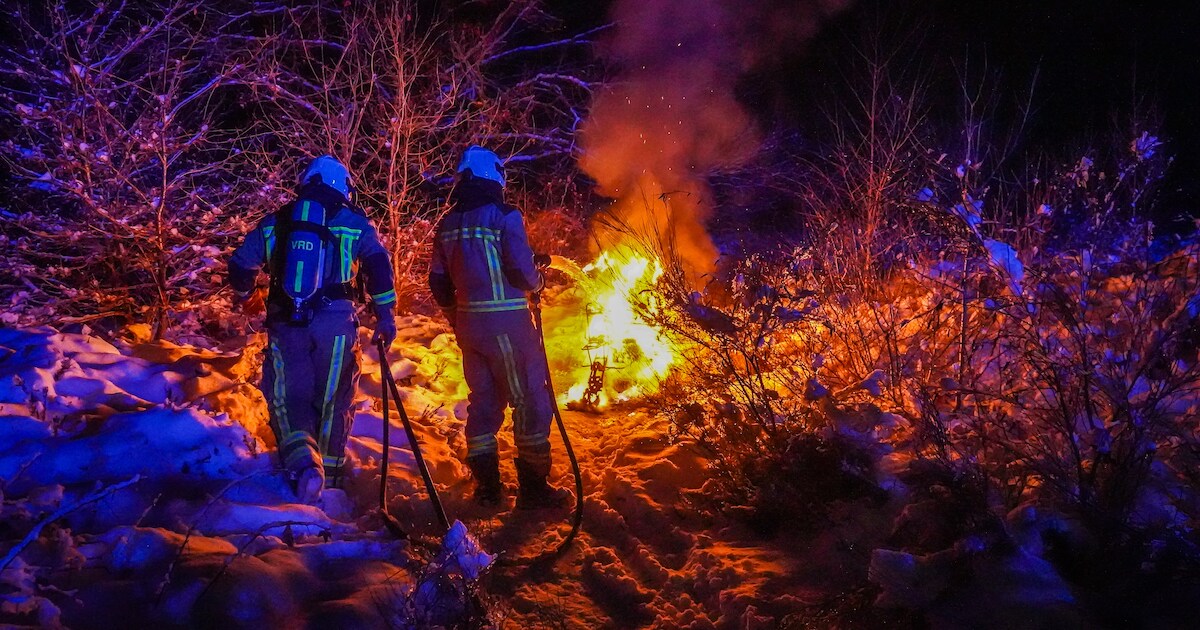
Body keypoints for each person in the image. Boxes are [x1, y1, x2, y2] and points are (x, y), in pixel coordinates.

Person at [228, 155, 397, 504]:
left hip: (286, 323)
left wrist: (248, 297)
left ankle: (305, 467)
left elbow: (241, 265)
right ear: (343, 187)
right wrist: (386, 317)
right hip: (336, 326)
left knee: (289, 399)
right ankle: (331, 486)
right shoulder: (354, 222)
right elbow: (379, 267)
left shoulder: (277, 221)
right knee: (334, 400)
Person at [429, 145, 570, 509]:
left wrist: (456, 317)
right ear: (495, 176)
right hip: (507, 325)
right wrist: (538, 282)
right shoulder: (504, 216)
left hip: (469, 329)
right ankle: (535, 491)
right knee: (530, 401)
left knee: (484, 403)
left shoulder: (447, 224)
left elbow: (439, 282)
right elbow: (523, 273)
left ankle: (489, 489)